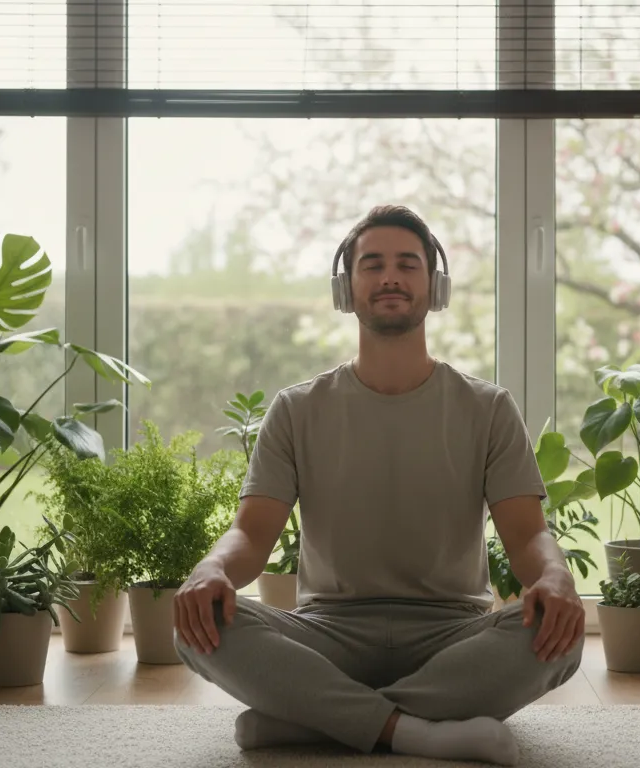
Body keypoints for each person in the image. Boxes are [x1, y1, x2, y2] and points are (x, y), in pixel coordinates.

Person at [172, 204, 585, 766]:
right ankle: (415, 731)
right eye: (373, 265)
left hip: (453, 636)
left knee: (561, 635)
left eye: (407, 264)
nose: (390, 277)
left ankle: (315, 719)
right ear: (346, 289)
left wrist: (557, 577)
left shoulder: (488, 408)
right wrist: (211, 568)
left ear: (435, 287)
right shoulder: (296, 409)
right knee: (197, 625)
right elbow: (251, 533)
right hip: (327, 634)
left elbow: (528, 535)